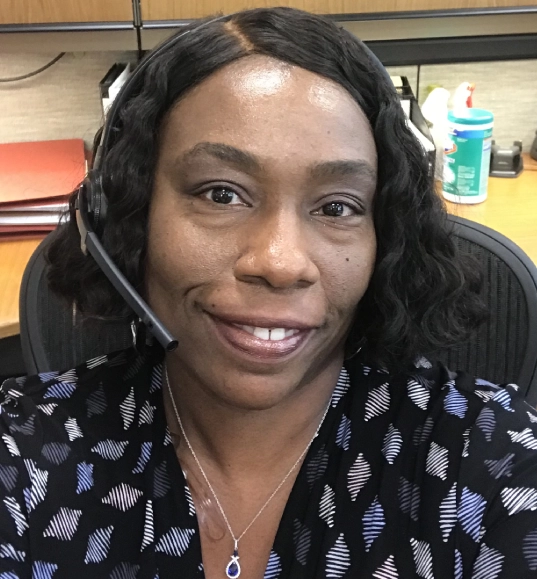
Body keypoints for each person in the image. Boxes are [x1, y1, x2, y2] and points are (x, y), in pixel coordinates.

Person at [1, 7, 537, 579]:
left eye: (337, 207)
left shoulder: (490, 460)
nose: (281, 264)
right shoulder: (24, 450)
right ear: (128, 217)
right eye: (222, 194)